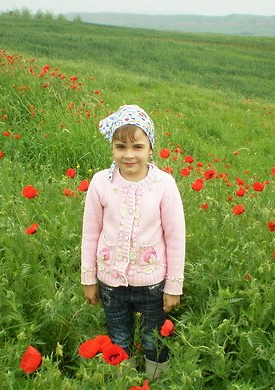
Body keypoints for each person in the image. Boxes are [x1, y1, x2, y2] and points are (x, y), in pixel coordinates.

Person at [81, 104, 186, 380]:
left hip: (152, 285)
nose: (128, 155)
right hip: (110, 284)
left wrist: (173, 286)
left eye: (137, 147)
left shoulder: (164, 184)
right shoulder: (100, 183)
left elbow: (175, 238)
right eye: (120, 147)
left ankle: (155, 382)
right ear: (112, 147)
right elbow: (90, 232)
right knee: (119, 339)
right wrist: (89, 278)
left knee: (153, 341)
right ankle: (124, 382)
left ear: (150, 147)